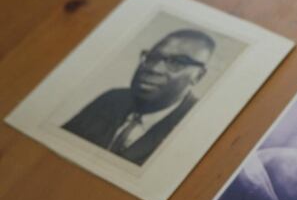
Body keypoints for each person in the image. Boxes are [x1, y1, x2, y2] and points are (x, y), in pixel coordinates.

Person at [62, 29, 216, 165]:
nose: (154, 68)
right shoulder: (112, 99)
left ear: (198, 76)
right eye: (152, 57)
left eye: (176, 62)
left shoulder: (195, 126)